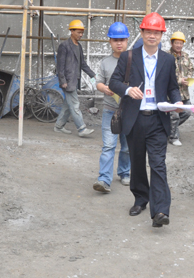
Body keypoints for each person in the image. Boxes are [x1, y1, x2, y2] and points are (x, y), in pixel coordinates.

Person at [109, 12, 182, 228]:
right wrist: (127, 90)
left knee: (158, 164)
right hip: (135, 119)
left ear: (161, 35)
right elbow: (114, 82)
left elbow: (172, 87)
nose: (152, 36)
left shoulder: (168, 60)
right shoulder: (128, 57)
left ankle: (160, 210)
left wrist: (177, 102)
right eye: (148, 31)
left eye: (156, 32)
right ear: (141, 33)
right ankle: (140, 199)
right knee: (138, 162)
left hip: (158, 120)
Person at [93, 22, 131, 194]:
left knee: (127, 146)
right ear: (110, 41)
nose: (119, 43)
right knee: (109, 145)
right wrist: (104, 89)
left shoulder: (133, 61)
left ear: (127, 40)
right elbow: (98, 82)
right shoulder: (105, 62)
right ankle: (104, 179)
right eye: (115, 40)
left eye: (122, 40)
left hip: (129, 110)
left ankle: (125, 172)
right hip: (110, 110)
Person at [54, 19, 96, 137]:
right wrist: (62, 81)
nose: (81, 35)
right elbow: (60, 66)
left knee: (68, 106)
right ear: (71, 31)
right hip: (67, 81)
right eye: (79, 32)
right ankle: (82, 129)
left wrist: (93, 75)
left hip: (75, 81)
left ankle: (58, 126)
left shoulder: (79, 46)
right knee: (75, 104)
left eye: (82, 32)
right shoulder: (64, 46)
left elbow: (82, 64)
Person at [168, 31, 194, 147]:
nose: (179, 45)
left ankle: (169, 128)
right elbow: (165, 73)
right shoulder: (166, 56)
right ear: (172, 43)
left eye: (181, 43)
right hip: (171, 93)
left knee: (187, 112)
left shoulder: (185, 56)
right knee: (174, 115)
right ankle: (173, 137)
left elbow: (191, 68)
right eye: (176, 43)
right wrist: (179, 80)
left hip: (184, 92)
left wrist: (189, 77)